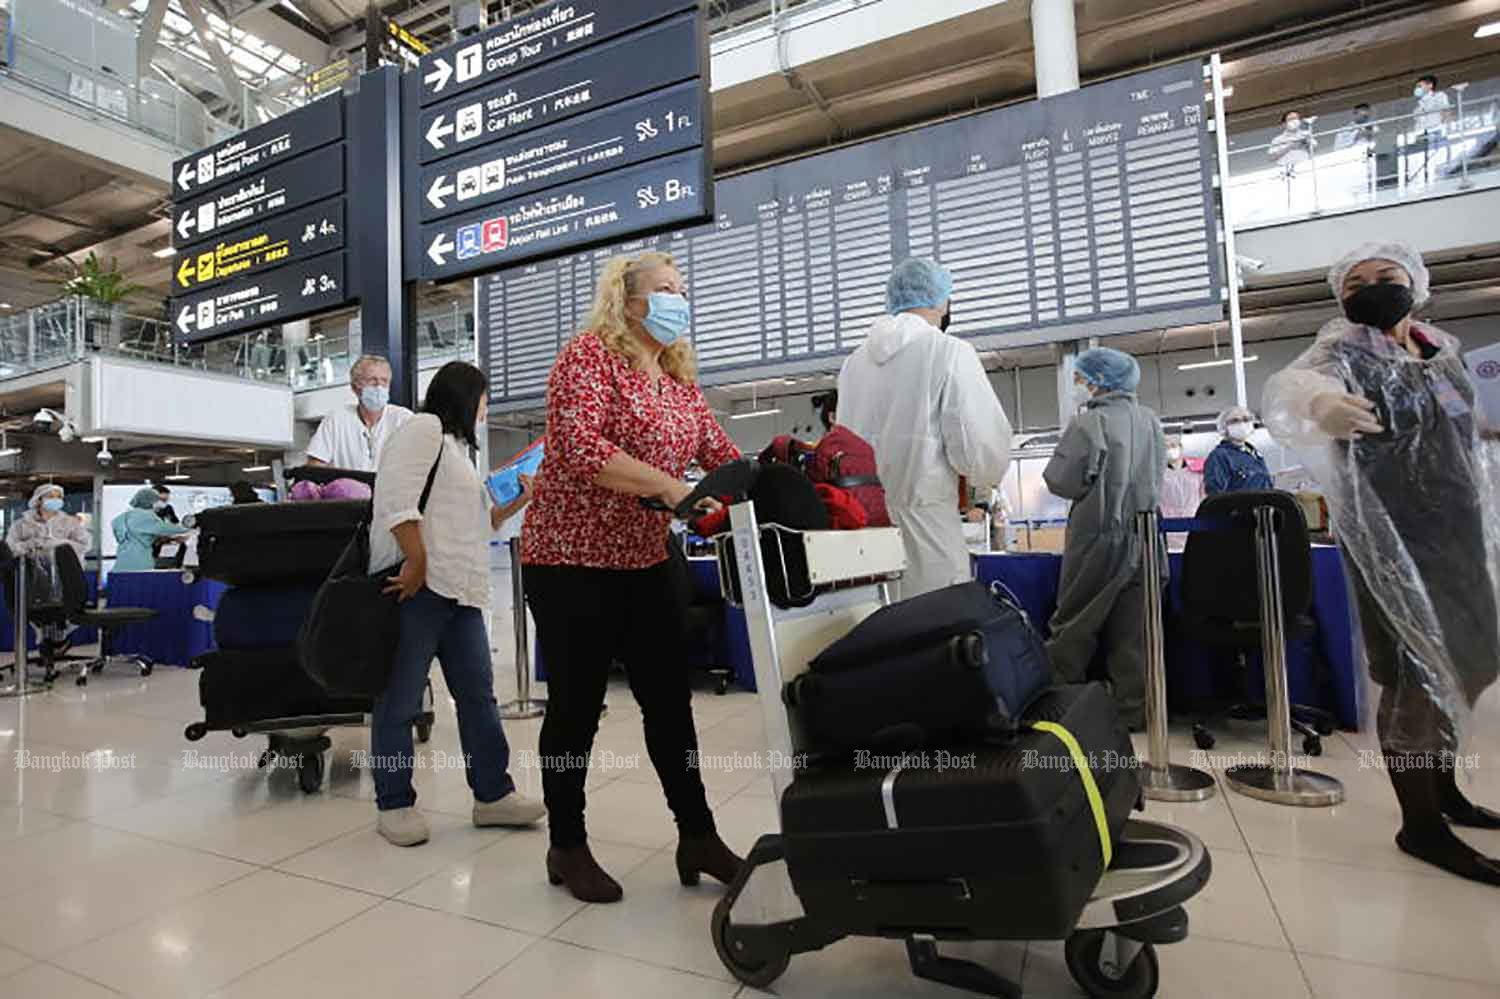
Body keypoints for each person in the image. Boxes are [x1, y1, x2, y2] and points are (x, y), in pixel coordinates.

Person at [1263, 241, 1500, 885]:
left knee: (1458, 667)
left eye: (1386, 277)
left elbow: (1470, 425)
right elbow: (1290, 387)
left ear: (1416, 284)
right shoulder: (1339, 350)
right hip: (1389, 539)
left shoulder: (1443, 352)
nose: (1371, 287)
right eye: (1357, 281)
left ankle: (1445, 793)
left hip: (1457, 535)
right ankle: (1419, 824)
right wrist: (1320, 405)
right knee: (1410, 677)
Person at [522, 250, 744, 903]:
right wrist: (675, 488)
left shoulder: (677, 384)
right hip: (569, 560)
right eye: (665, 290)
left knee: (671, 704)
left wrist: (767, 480)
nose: (679, 299)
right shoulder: (586, 357)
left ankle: (698, 834)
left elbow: (722, 456)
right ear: (628, 301)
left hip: (645, 559)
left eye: (682, 289)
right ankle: (566, 843)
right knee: (575, 708)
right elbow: (582, 449)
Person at [368, 360, 544, 848]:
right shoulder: (423, 429)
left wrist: (515, 504)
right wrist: (418, 561)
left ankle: (493, 795)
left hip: (462, 594)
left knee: (478, 698)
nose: (485, 409)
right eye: (484, 399)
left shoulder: (460, 452)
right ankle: (394, 801)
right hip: (419, 590)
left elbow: (474, 524)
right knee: (400, 701)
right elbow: (395, 499)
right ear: (467, 396)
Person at [837, 258, 1013, 598]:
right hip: (928, 533)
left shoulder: (854, 363)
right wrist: (984, 480)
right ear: (940, 301)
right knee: (935, 638)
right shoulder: (948, 351)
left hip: (865, 536)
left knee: (877, 634)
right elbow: (981, 452)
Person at [1043, 348, 1165, 730]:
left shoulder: (1088, 425)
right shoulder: (1151, 422)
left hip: (1098, 538)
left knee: (1073, 627)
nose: (1078, 386)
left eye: (1080, 379)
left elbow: (1062, 481)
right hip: (1145, 537)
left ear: (1097, 381)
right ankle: (1135, 712)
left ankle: (1061, 712)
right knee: (1135, 633)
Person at [307, 355, 413, 472]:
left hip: (391, 489)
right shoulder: (336, 420)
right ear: (355, 388)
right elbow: (315, 467)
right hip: (348, 489)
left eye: (384, 381)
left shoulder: (403, 419)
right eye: (372, 381)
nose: (379, 387)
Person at [8, 484, 91, 563]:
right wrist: (33, 544)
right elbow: (10, 549)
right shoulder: (21, 524)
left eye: (59, 497)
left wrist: (60, 543)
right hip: (30, 574)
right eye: (51, 497)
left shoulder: (71, 522)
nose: (56, 500)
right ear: (39, 500)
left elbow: (85, 545)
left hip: (65, 573)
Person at [112, 488, 187, 572]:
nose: (158, 504)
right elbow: (165, 528)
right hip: (140, 563)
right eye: (156, 501)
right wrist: (187, 528)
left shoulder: (119, 519)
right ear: (149, 501)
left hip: (120, 564)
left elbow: (136, 535)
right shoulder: (146, 516)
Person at [1203, 406, 1273, 495]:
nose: (1242, 424)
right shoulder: (1220, 456)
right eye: (1235, 421)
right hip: (1238, 507)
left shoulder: (1255, 455)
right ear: (1224, 427)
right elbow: (1215, 494)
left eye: (1246, 419)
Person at [1159, 434, 1203, 549]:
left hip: (1195, 521)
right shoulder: (1157, 473)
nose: (1170, 449)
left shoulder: (1197, 469)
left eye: (1173, 445)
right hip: (1169, 526)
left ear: (1181, 447)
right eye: (1165, 447)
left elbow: (1204, 496)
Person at [1412, 74, 1452, 186]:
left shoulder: (1439, 96)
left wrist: (1446, 129)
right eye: (1417, 87)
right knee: (1427, 162)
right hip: (1424, 136)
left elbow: (1446, 112)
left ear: (1430, 85)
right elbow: (1418, 122)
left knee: (1439, 159)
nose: (1417, 89)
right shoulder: (1419, 105)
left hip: (1437, 132)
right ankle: (1428, 182)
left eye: (1420, 86)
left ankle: (1441, 182)